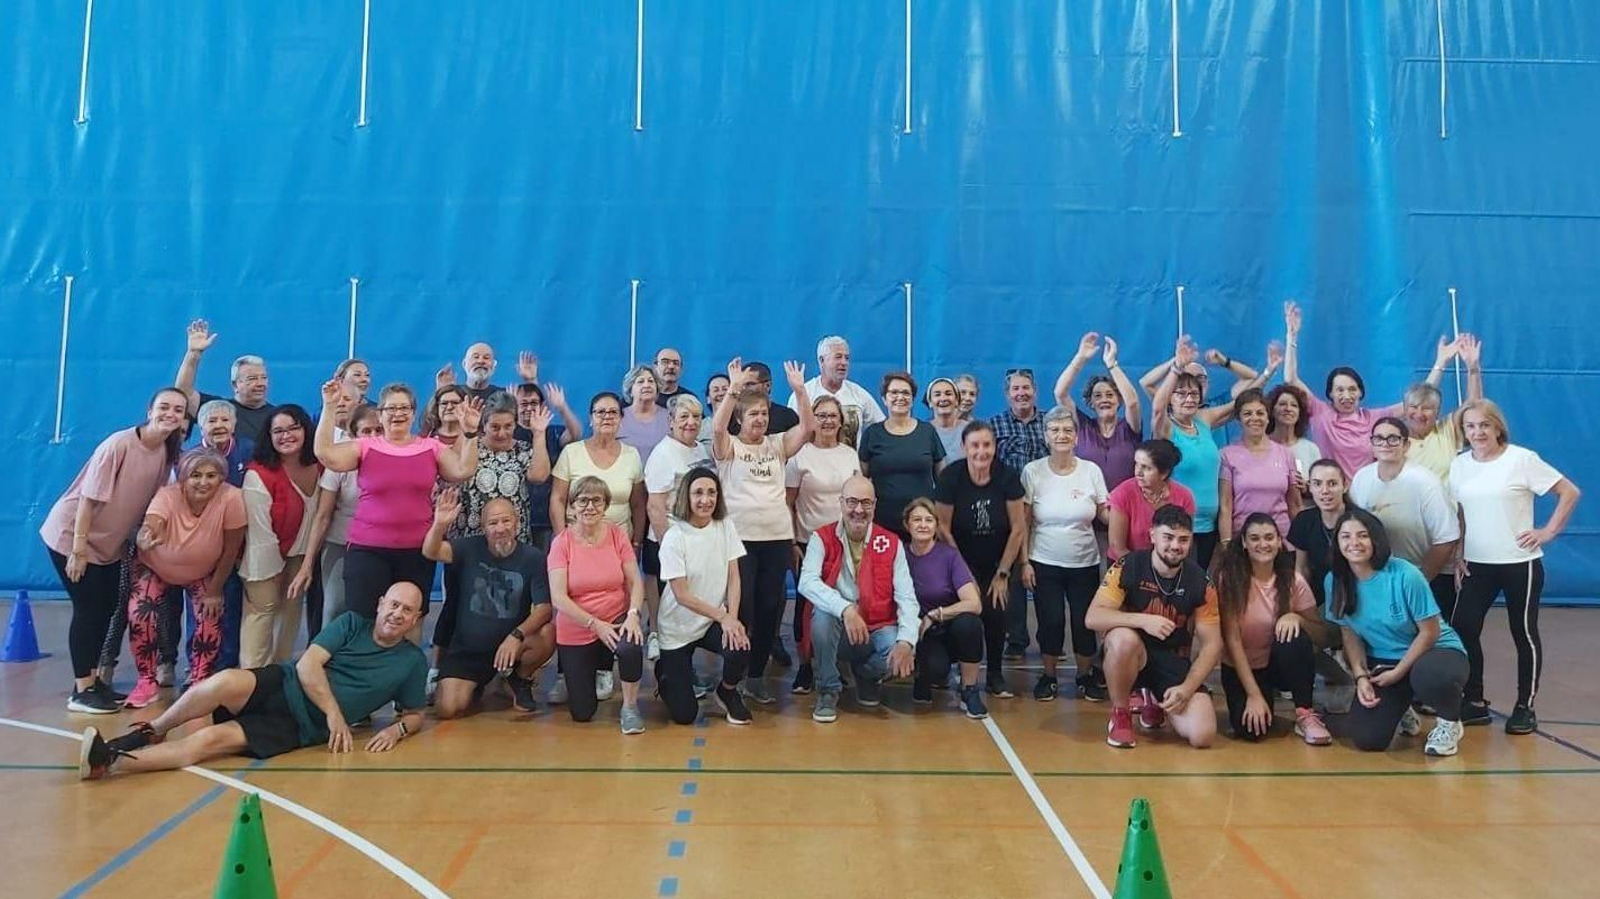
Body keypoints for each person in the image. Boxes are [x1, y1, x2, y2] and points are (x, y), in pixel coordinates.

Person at [79, 583, 430, 779]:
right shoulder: (352, 623)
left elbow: (415, 713)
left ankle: (109, 761)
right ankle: (154, 727)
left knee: (209, 740)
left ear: (417, 618)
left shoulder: (411, 662)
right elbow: (308, 665)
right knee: (223, 681)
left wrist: (396, 731)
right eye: (394, 605)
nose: (397, 614)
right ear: (381, 602)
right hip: (285, 681)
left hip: (300, 725)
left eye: (407, 610)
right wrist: (336, 715)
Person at [42, 387, 186, 713]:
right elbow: (88, 500)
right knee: (88, 610)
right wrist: (78, 550)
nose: (170, 414)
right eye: (164, 407)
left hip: (108, 546)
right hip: (71, 537)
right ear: (150, 410)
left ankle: (94, 682)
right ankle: (81, 690)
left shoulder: (166, 450)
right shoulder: (119, 444)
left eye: (178, 410)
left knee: (106, 609)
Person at [1449, 399, 1581, 735]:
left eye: (1483, 425)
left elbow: (1569, 492)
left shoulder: (1521, 459)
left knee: (1522, 632)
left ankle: (1525, 706)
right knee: (1463, 627)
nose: (1477, 432)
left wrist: (1547, 532)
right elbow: (1461, 513)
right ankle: (1474, 700)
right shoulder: (1460, 465)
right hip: (1477, 564)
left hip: (1519, 563)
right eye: (1470, 426)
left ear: (1497, 427)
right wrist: (1460, 550)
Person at [314, 381, 481, 619]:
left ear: (413, 414)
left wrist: (471, 433)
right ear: (380, 415)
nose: (398, 414)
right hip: (368, 551)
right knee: (363, 621)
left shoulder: (431, 447)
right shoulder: (365, 446)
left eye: (404, 408)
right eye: (391, 409)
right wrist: (329, 407)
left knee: (408, 623)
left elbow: (463, 470)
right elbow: (325, 454)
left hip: (416, 552)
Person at [1325, 509, 1469, 756]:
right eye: (1345, 537)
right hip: (1384, 661)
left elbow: (1430, 632)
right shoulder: (1334, 580)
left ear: (1376, 540)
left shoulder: (1405, 575)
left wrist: (1399, 672)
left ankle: (1449, 722)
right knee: (1367, 738)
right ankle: (1401, 707)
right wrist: (1360, 677)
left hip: (1435, 652)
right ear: (1337, 543)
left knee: (1430, 677)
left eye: (1362, 536)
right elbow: (1349, 633)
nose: (1354, 543)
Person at [713, 358, 815, 703]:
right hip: (741, 541)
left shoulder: (776, 446)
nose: (760, 419)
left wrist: (800, 391)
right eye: (753, 414)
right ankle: (732, 677)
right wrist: (733, 390)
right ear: (740, 419)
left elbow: (807, 428)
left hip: (776, 539)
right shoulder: (729, 447)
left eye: (764, 414)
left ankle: (755, 676)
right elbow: (716, 429)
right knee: (743, 611)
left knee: (770, 609)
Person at [430, 395, 553, 674]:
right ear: (483, 424)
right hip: (469, 539)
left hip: (511, 543)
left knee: (511, 605)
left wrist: (539, 434)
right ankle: (437, 667)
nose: (501, 433)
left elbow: (539, 476)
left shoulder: (522, 449)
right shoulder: (470, 443)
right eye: (494, 427)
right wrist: (469, 432)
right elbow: (463, 471)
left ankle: (505, 667)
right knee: (457, 603)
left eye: (508, 426)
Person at [118, 448, 247, 708]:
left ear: (221, 477)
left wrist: (215, 590)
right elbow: (151, 524)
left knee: (210, 615)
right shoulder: (167, 495)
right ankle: (147, 681)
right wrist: (146, 535)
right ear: (183, 477)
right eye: (195, 475)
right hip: (155, 567)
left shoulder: (232, 498)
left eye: (211, 475)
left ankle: (199, 680)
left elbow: (231, 550)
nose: (203, 482)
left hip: (202, 572)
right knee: (139, 615)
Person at [1086, 505, 1221, 750]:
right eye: (1167, 537)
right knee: (1123, 640)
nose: (1175, 546)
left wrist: (1187, 688)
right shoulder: (1128, 566)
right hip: (1131, 655)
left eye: (1183, 540)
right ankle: (1121, 713)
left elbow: (1213, 644)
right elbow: (1093, 617)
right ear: (1152, 536)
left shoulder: (1200, 581)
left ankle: (1159, 700)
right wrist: (1143, 620)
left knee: (1203, 735)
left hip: (1171, 659)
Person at [1282, 301, 1461, 478]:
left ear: (1360, 393)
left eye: (1352, 389)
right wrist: (1292, 337)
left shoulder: (1373, 419)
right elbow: (1290, 378)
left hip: (1366, 497)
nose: (1347, 395)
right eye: (1340, 390)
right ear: (1330, 394)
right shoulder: (1321, 414)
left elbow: (1417, 400)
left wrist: (1441, 363)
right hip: (1331, 496)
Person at [422, 489, 555, 718]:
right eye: (493, 523)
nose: (500, 528)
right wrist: (440, 525)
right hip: (467, 651)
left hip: (511, 645)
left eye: (506, 521)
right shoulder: (468, 548)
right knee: (447, 708)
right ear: (484, 528)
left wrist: (516, 635)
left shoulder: (533, 557)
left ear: (517, 523)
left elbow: (544, 609)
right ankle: (478, 684)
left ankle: (519, 677)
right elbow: (430, 551)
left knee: (547, 632)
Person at [798, 476, 919, 723]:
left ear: (875, 505)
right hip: (839, 629)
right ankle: (828, 689)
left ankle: (866, 675)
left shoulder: (892, 543)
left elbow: (907, 597)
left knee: (901, 652)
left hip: (878, 627)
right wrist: (846, 610)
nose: (858, 510)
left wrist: (906, 642)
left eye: (866, 503)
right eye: (852, 502)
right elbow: (806, 582)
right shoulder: (821, 537)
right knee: (821, 618)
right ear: (841, 503)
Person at [1213, 514, 1331, 744]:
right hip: (1241, 668)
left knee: (1294, 639)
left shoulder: (1293, 581)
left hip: (1278, 666)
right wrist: (1254, 695)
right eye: (1254, 538)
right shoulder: (1229, 579)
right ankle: (1261, 697)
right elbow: (1232, 640)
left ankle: (1305, 713)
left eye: (1269, 537)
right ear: (1244, 543)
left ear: (1279, 542)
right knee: (1252, 732)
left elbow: (1322, 636)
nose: (1263, 544)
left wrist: (1298, 618)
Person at [1021, 408, 1110, 702]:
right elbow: (1024, 522)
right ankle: (1049, 677)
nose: (1061, 435)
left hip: (1085, 562)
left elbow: (1105, 512)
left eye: (1067, 430)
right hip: (1043, 561)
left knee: (1084, 622)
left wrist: (1134, 514)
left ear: (1076, 435)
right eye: (1055, 430)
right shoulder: (1032, 471)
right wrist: (1024, 562)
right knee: (1051, 620)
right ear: (1046, 435)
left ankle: (1084, 677)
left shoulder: (1091, 471)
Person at [547, 476, 648, 732]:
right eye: (582, 500)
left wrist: (634, 614)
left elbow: (636, 580)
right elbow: (558, 597)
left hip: (615, 619)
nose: (589, 507)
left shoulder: (617, 534)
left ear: (605, 506)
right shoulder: (561, 543)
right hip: (578, 626)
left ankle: (630, 707)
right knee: (582, 712)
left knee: (631, 646)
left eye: (596, 501)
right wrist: (594, 624)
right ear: (571, 507)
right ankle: (591, 669)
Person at [934, 420, 1026, 699]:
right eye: (975, 445)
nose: (981, 451)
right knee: (968, 615)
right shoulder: (951, 476)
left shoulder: (1007, 476)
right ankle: (962, 671)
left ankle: (995, 675)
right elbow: (943, 529)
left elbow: (1018, 528)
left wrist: (1003, 573)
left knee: (997, 610)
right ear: (964, 447)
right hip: (960, 559)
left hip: (998, 560)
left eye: (987, 445)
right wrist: (963, 574)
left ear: (995, 447)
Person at [655, 469, 754, 725]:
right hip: (677, 629)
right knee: (685, 715)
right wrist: (723, 616)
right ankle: (665, 673)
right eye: (698, 493)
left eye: (711, 493)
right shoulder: (674, 538)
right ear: (686, 497)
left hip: (710, 622)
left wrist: (731, 619)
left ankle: (727, 691)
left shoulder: (724, 525)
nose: (705, 500)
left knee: (740, 645)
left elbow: (734, 577)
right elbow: (682, 595)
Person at [785, 394, 862, 694]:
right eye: (821, 415)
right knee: (805, 606)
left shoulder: (849, 455)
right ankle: (805, 667)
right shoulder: (800, 455)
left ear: (841, 420)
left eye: (833, 415)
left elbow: (858, 497)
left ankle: (834, 665)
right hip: (807, 542)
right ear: (812, 419)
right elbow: (788, 502)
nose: (828, 420)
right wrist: (792, 542)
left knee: (841, 602)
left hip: (844, 543)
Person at [1348, 418, 1460, 618]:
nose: (1385, 444)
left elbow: (1446, 539)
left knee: (1429, 641)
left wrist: (1418, 581)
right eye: (1379, 439)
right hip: (1381, 576)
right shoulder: (1361, 478)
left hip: (1427, 574)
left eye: (1393, 438)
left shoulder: (1425, 482)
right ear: (1372, 444)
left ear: (1406, 445)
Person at [239, 405, 323, 667]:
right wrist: (272, 571)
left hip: (301, 556)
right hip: (262, 556)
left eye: (293, 428)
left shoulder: (321, 465)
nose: (286, 435)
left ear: (306, 430)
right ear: (269, 436)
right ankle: (251, 680)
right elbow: (259, 532)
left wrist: (307, 563)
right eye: (278, 431)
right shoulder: (258, 473)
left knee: (290, 614)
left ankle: (278, 676)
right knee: (262, 612)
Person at [1152, 337, 1242, 567]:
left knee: (1199, 588)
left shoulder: (1203, 420)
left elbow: (1244, 397)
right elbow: (1157, 407)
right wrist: (1176, 367)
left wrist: (1270, 369)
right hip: (1178, 526)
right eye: (1181, 393)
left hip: (1209, 527)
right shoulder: (1166, 427)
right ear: (1171, 397)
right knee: (1177, 589)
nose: (1189, 398)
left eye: (1193, 394)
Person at [902, 498, 989, 719]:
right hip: (919, 630)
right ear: (907, 525)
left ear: (936, 526)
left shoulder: (949, 556)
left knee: (970, 623)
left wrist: (936, 614)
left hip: (949, 626)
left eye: (929, 520)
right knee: (936, 670)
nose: (923, 525)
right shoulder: (899, 555)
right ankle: (923, 675)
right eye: (917, 520)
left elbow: (974, 603)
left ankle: (969, 690)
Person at [301, 403, 382, 629]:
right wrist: (308, 564)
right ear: (353, 435)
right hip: (340, 544)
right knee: (335, 607)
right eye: (366, 431)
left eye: (379, 430)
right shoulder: (339, 465)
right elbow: (323, 516)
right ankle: (327, 661)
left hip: (381, 547)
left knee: (375, 609)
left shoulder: (398, 461)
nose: (373, 436)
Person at [643, 394, 712, 660]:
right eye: (684, 416)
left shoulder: (699, 449)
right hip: (668, 544)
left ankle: (684, 669)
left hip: (694, 542)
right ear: (671, 421)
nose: (691, 422)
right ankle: (669, 677)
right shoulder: (663, 453)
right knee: (668, 616)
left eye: (696, 416)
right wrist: (668, 549)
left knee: (686, 614)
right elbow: (655, 508)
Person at [987, 368, 1048, 658]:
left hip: (1048, 507)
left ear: (1035, 390)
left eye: (1026, 387)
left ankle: (1051, 639)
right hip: (1009, 507)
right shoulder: (995, 425)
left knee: (1043, 572)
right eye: (1015, 389)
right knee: (1012, 573)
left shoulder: (1051, 422)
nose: (1021, 393)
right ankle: (1017, 639)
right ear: (1007, 394)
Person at [550, 391, 646, 542]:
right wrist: (562, 540)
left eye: (613, 412)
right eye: (600, 412)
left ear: (621, 419)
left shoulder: (632, 455)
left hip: (619, 544)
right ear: (591, 418)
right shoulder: (571, 452)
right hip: (576, 541)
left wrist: (636, 543)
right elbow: (558, 499)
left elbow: (638, 504)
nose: (607, 416)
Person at [1052, 332, 1143, 491]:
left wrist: (1111, 364)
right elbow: (1060, 393)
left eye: (1110, 395)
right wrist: (1081, 358)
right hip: (1087, 507)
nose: (1104, 400)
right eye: (1098, 396)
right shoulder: (1082, 426)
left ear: (1119, 400)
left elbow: (1133, 402)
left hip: (1124, 507)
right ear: (1091, 402)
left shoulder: (1129, 428)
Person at [859, 371, 946, 537]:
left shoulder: (927, 432)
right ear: (884, 399)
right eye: (894, 392)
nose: (900, 397)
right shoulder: (872, 434)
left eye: (906, 393)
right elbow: (862, 480)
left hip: (922, 525)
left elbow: (942, 480)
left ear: (913, 400)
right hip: (882, 524)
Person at [1217, 388, 1302, 544]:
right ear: (1239, 419)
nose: (1254, 418)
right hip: (1243, 542)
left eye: (1260, 413)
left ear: (1268, 418)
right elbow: (1226, 506)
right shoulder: (1226, 455)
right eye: (1247, 413)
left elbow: (1295, 504)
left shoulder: (1286, 455)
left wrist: (1302, 546)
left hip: (1283, 542)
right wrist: (1226, 544)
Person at [173, 320, 275, 442]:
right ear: (235, 384)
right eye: (252, 379)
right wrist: (193, 354)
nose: (260, 383)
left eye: (263, 378)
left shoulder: (277, 417)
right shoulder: (217, 410)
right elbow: (183, 393)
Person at [1405, 334, 1483, 483]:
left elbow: (1473, 408)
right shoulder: (1395, 438)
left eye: (1426, 408)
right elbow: (1423, 394)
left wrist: (1473, 369)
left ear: (1437, 412)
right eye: (1413, 407)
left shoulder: (1446, 430)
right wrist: (1440, 362)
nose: (1419, 413)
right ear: (1405, 409)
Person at [513, 381, 580, 551]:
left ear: (542, 405)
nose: (529, 408)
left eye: (534, 403)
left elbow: (575, 434)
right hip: (513, 517)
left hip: (545, 519)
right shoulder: (508, 433)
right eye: (523, 403)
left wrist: (562, 407)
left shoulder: (552, 432)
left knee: (545, 570)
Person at [1107, 440, 1196, 561]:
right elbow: (1117, 547)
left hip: (1169, 566)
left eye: (1146, 468)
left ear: (1164, 473)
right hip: (1126, 563)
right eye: (1136, 464)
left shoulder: (1184, 496)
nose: (1138, 472)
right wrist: (1147, 571)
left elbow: (1186, 540)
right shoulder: (1123, 493)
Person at [788, 335, 885, 433]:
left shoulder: (858, 394)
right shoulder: (804, 394)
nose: (844, 362)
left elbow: (881, 429)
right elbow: (790, 434)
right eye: (838, 357)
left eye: (846, 358)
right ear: (822, 360)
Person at [1264, 384, 1323, 488]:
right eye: (1282, 404)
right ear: (1272, 410)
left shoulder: (1310, 448)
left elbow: (1320, 485)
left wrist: (1307, 487)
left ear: (1300, 413)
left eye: (1294, 405)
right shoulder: (1261, 446)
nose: (1288, 409)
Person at [728, 361, 801, 436]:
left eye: (749, 384)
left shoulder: (787, 416)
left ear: (768, 386)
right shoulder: (731, 416)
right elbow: (718, 433)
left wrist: (800, 390)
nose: (743, 389)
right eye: (741, 384)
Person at [619, 364, 671, 456]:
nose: (646, 385)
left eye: (651, 381)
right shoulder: (619, 417)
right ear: (630, 390)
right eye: (640, 381)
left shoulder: (669, 417)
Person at [925, 377, 967, 461]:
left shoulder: (969, 429)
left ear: (956, 401)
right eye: (937, 394)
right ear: (930, 402)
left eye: (948, 394)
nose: (943, 399)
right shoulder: (923, 431)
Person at [697, 373, 732, 452]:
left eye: (725, 389)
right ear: (708, 399)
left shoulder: (743, 424)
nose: (721, 393)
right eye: (716, 390)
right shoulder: (700, 427)